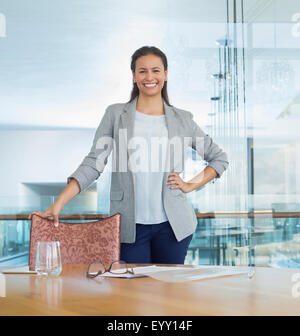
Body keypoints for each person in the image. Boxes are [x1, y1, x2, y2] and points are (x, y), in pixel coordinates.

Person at [29, 46, 228, 264]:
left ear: (166, 74)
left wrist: (190, 184)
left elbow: (218, 158)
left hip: (174, 227)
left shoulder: (182, 120)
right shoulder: (116, 115)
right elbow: (93, 164)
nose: (149, 77)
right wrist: (59, 204)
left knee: (171, 292)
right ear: (134, 76)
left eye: (156, 70)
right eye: (142, 71)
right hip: (129, 227)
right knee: (133, 293)